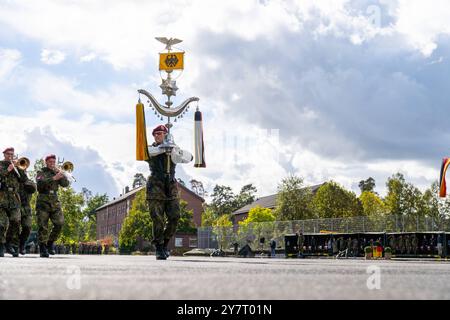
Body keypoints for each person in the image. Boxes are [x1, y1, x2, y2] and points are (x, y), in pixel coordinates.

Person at [146, 124, 192, 260]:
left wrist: (174, 150)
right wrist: (164, 148)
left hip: (171, 186)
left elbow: (189, 158)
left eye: (159, 133)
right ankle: (159, 247)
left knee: (175, 217)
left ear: (166, 135)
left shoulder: (173, 149)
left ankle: (164, 244)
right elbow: (148, 153)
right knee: (157, 218)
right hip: (155, 185)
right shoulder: (151, 148)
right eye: (154, 134)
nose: (156, 136)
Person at [36, 154, 70, 258]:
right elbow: (39, 186)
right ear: (46, 162)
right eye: (50, 162)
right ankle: (42, 248)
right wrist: (54, 178)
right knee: (43, 226)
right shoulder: (41, 172)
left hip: (54, 201)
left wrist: (62, 174)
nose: (52, 164)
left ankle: (50, 243)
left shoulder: (57, 172)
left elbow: (65, 184)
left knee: (60, 223)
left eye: (53, 162)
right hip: (43, 201)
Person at [0, 147, 27, 257]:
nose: (10, 156)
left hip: (15, 197)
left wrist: (21, 170)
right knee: (1, 224)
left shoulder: (17, 165)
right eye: (8, 154)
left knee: (16, 221)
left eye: (12, 154)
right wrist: (8, 169)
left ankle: (8, 241)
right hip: (2, 196)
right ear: (4, 154)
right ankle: (1, 245)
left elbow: (24, 180)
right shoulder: (1, 165)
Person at [17, 172, 36, 255]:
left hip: (26, 208)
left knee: (27, 227)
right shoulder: (14, 181)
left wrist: (23, 178)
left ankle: (22, 244)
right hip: (14, 206)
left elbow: (33, 188)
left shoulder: (29, 182)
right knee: (14, 226)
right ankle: (15, 246)